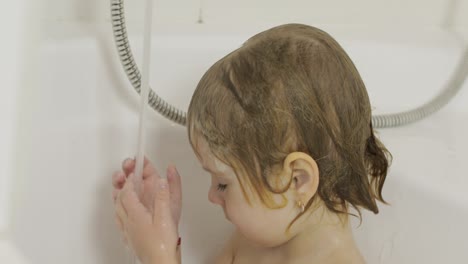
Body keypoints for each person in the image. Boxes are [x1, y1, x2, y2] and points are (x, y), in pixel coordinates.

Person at [112, 23, 391, 264]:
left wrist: (157, 258)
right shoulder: (257, 239)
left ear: (297, 181)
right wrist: (166, 238)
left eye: (222, 183)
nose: (211, 196)